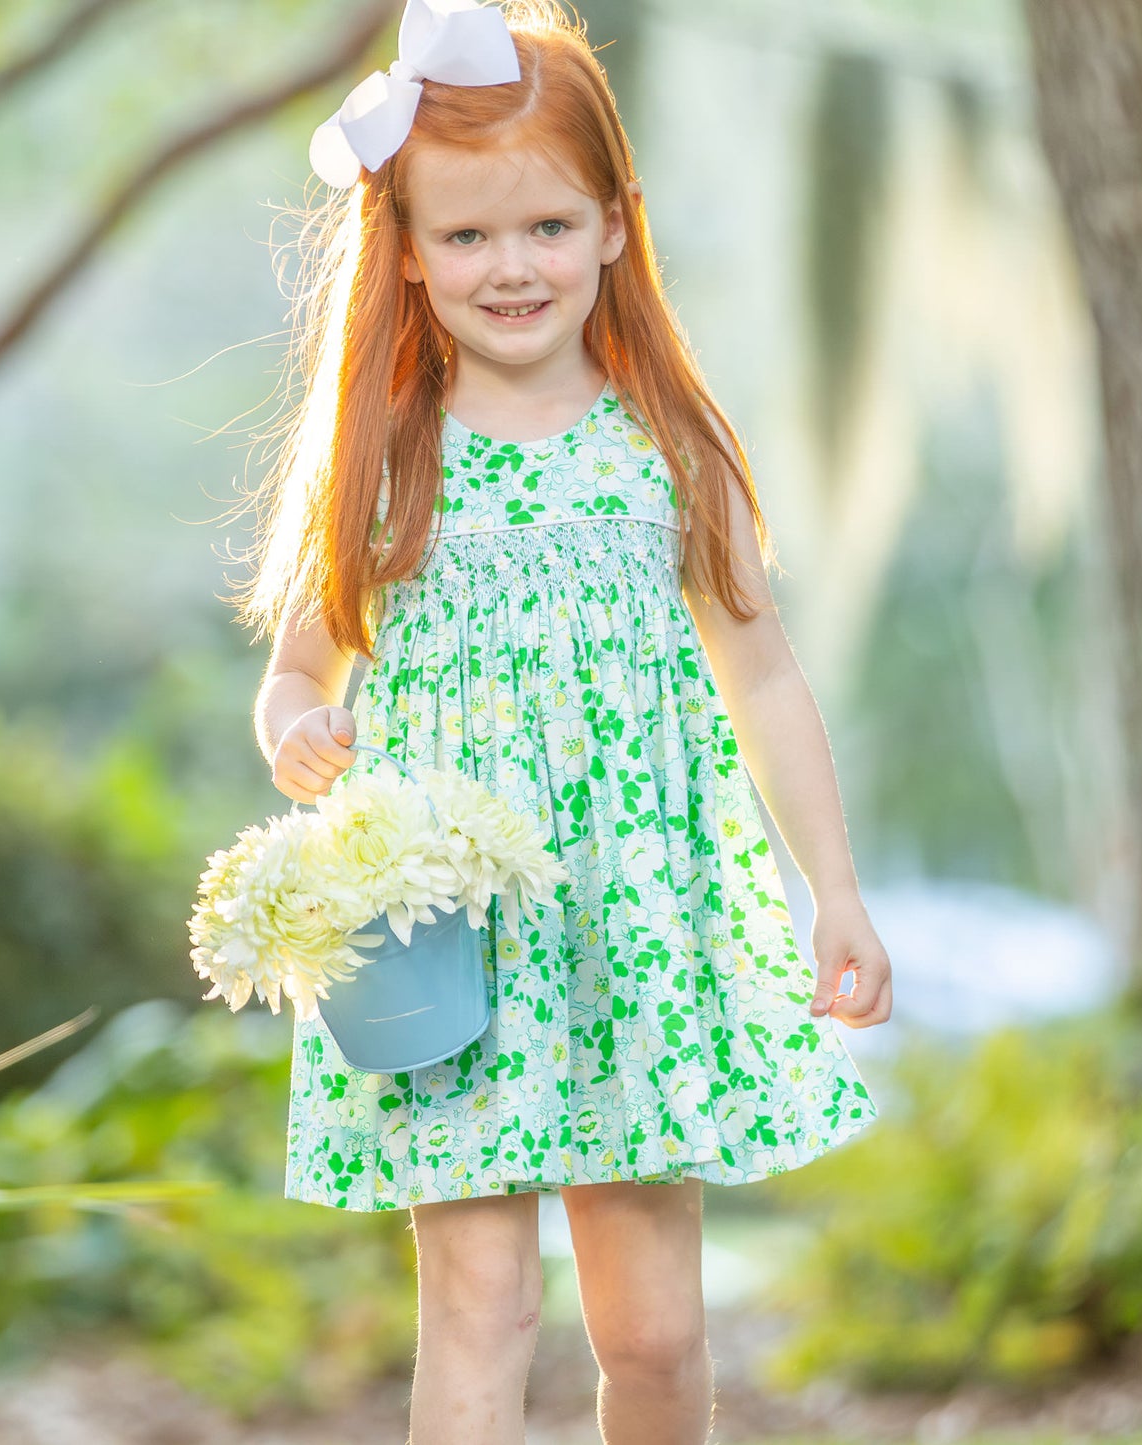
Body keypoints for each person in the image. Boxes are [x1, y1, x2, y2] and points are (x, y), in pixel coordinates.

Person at [233, 2, 893, 1441]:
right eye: (464, 237)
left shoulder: (668, 445)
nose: (508, 265)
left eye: (543, 225)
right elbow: (297, 668)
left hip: (634, 929)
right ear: (403, 247)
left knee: (651, 1337)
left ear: (611, 224)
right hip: (447, 943)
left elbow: (763, 673)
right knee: (477, 1309)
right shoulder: (385, 456)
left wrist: (830, 888)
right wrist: (293, 726)